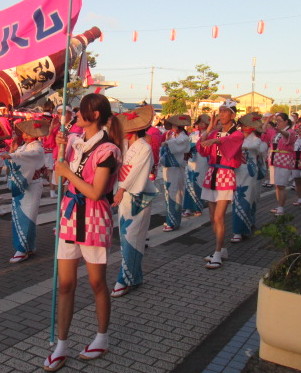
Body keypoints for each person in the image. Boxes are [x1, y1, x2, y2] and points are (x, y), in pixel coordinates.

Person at [44, 93, 122, 371]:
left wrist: (66, 172)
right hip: (69, 215)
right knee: (65, 284)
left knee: (97, 283)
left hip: (94, 217)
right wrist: (60, 150)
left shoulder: (109, 150)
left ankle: (102, 337)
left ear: (96, 114)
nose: (76, 114)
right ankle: (62, 343)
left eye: (81, 110)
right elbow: (59, 176)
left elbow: (95, 191)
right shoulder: (75, 142)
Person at [111, 105, 157, 298]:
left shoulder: (144, 147)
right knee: (126, 235)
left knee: (132, 236)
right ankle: (135, 277)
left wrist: (121, 189)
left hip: (137, 195)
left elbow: (137, 170)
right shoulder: (124, 144)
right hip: (125, 194)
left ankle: (125, 278)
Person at [197, 100, 244, 269]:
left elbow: (232, 145)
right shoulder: (215, 133)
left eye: (225, 111)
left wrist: (216, 141)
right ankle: (221, 249)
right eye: (220, 111)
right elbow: (202, 149)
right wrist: (209, 130)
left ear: (232, 115)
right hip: (212, 174)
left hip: (225, 174)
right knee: (211, 217)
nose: (221, 114)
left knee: (219, 216)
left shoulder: (237, 134)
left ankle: (218, 252)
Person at [0, 119, 48, 263]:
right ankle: (28, 247)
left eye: (29, 133)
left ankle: (22, 248)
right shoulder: (25, 146)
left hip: (32, 184)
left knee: (27, 216)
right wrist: (13, 152)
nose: (26, 136)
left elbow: (26, 157)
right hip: (24, 184)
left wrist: (12, 155)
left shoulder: (37, 148)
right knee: (22, 216)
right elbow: (18, 158)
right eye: (25, 133)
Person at [231, 113, 263, 243]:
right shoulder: (237, 137)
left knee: (245, 198)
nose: (243, 127)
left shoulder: (256, 139)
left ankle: (239, 230)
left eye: (245, 125)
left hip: (250, 172)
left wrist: (239, 146)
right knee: (237, 199)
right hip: (237, 171)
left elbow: (256, 148)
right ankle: (243, 226)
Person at [160, 114, 191, 232]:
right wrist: (168, 141)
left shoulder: (183, 138)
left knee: (175, 193)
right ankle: (170, 219)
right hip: (169, 168)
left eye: (174, 125)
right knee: (169, 194)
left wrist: (167, 143)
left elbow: (177, 146)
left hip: (176, 168)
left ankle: (173, 222)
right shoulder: (174, 136)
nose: (172, 127)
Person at [265, 112, 296, 216]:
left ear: (286, 121)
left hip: (285, 160)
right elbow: (263, 131)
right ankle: (279, 205)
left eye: (279, 121)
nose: (277, 123)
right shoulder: (276, 132)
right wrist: (267, 120)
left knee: (282, 185)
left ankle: (281, 207)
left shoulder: (290, 131)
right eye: (276, 121)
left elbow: (288, 136)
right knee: (277, 185)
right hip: (275, 159)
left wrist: (281, 131)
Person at [182, 114, 209, 217]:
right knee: (189, 183)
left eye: (204, 122)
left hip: (203, 160)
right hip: (191, 160)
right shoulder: (192, 134)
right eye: (200, 122)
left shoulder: (209, 134)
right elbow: (186, 146)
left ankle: (198, 206)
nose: (202, 124)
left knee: (199, 182)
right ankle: (188, 207)